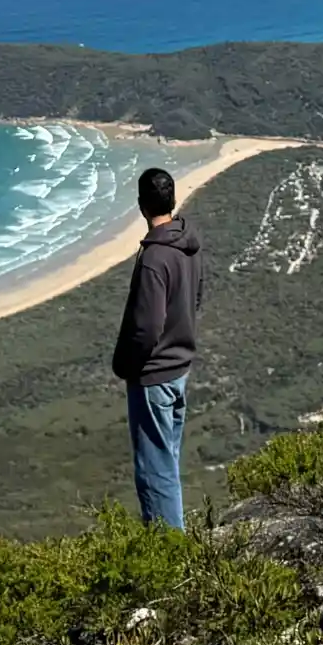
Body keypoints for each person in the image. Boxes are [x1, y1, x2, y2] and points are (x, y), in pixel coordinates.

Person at [110, 165, 204, 528]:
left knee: (154, 471)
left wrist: (124, 366)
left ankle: (168, 557)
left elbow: (146, 327)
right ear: (172, 199)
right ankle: (174, 546)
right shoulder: (189, 245)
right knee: (168, 460)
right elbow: (196, 297)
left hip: (153, 377)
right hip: (180, 368)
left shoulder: (154, 258)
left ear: (141, 205)